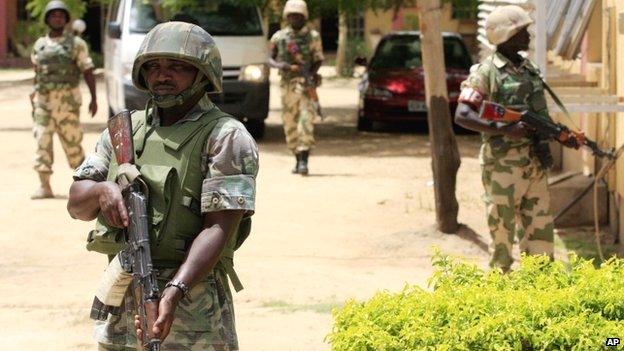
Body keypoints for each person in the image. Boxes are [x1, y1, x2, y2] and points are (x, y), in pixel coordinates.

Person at [67, 22, 258, 350]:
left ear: (202, 74)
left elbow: (220, 227)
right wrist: (103, 191)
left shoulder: (225, 136)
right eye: (153, 67)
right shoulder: (123, 130)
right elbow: (76, 203)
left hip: (194, 307)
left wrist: (173, 292)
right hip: (122, 301)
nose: (162, 75)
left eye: (178, 67)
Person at [454, 5, 564, 272]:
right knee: (502, 237)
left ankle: (541, 298)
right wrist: (504, 129)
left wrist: (561, 135)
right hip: (503, 167)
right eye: (522, 31)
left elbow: (540, 114)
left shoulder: (529, 69)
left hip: (534, 164)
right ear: (505, 36)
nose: (528, 35)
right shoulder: (485, 72)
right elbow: (463, 114)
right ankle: (501, 296)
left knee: (541, 240)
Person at [30, 0, 97, 199]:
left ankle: (85, 186)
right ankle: (45, 186)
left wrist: (94, 98)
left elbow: (88, 71)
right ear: (48, 19)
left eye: (60, 15)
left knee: (73, 144)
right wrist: (34, 92)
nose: (57, 18)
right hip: (43, 102)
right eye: (53, 15)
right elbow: (37, 72)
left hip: (67, 103)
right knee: (42, 142)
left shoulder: (76, 44)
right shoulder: (40, 45)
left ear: (66, 19)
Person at [269, 0, 324, 175]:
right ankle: (297, 157)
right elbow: (270, 59)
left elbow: (319, 58)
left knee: (306, 120)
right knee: (290, 123)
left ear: (304, 17)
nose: (295, 18)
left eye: (298, 16)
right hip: (286, 85)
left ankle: (304, 161)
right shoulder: (279, 37)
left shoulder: (313, 36)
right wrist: (283, 66)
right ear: (287, 17)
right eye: (292, 15)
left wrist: (311, 73)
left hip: (306, 85)